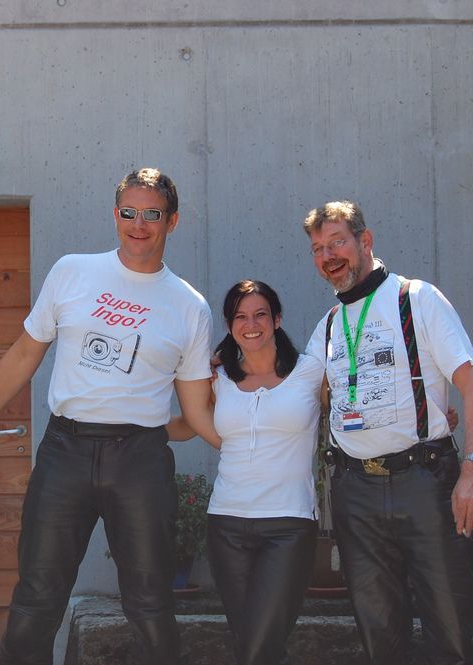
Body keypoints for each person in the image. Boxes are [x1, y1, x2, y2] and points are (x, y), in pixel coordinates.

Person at [0, 168, 220, 665]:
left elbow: (197, 411)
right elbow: (23, 355)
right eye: (129, 212)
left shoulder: (190, 307)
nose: (139, 224)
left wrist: (256, 443)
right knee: (37, 598)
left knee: (151, 604)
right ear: (115, 215)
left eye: (152, 214)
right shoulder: (72, 271)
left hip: (139, 459)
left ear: (172, 221)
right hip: (65, 452)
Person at [303, 201, 473, 665]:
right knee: (379, 638)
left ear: (365, 241)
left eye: (337, 243)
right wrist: (227, 368)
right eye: (318, 249)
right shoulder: (328, 326)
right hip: (355, 492)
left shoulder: (417, 299)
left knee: (450, 631)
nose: (328, 256)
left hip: (424, 483)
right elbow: (292, 393)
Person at [169, 280, 322, 665]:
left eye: (260, 315)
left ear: (277, 320)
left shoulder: (311, 372)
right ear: (229, 325)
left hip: (289, 525)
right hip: (227, 525)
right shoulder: (219, 379)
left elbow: (353, 411)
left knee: (258, 646)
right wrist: (131, 424)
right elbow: (189, 425)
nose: (250, 324)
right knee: (252, 643)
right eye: (240, 316)